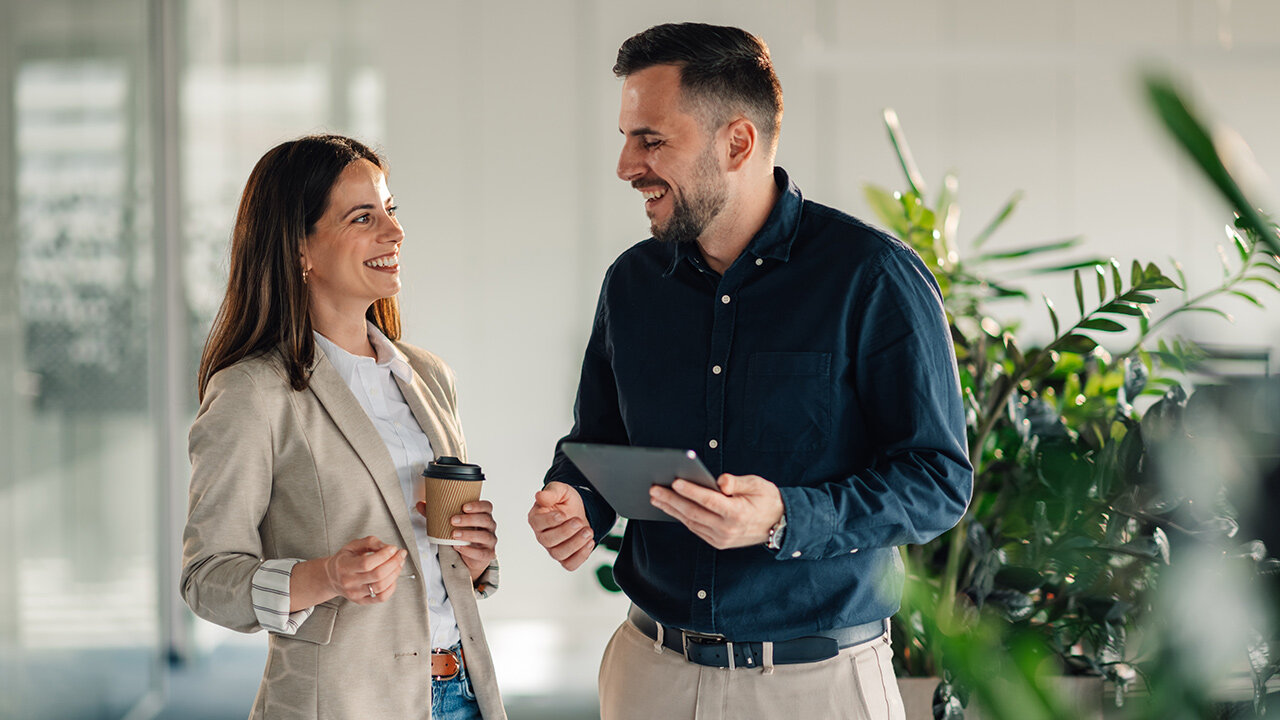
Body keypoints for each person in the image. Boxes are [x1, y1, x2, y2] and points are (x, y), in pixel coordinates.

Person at [528, 23, 972, 720]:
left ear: (737, 142)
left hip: (817, 688)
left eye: (651, 140)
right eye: (626, 138)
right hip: (650, 676)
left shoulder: (871, 278)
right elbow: (598, 441)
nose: (625, 165)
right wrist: (575, 501)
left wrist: (787, 516)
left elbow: (938, 481)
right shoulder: (632, 283)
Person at [182, 134, 505, 720]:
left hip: (462, 694)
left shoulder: (429, 377)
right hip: (340, 703)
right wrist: (325, 576)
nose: (394, 231)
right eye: (363, 217)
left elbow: (440, 562)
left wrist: (476, 558)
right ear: (299, 248)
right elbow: (207, 579)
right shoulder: (251, 392)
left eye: (391, 210)